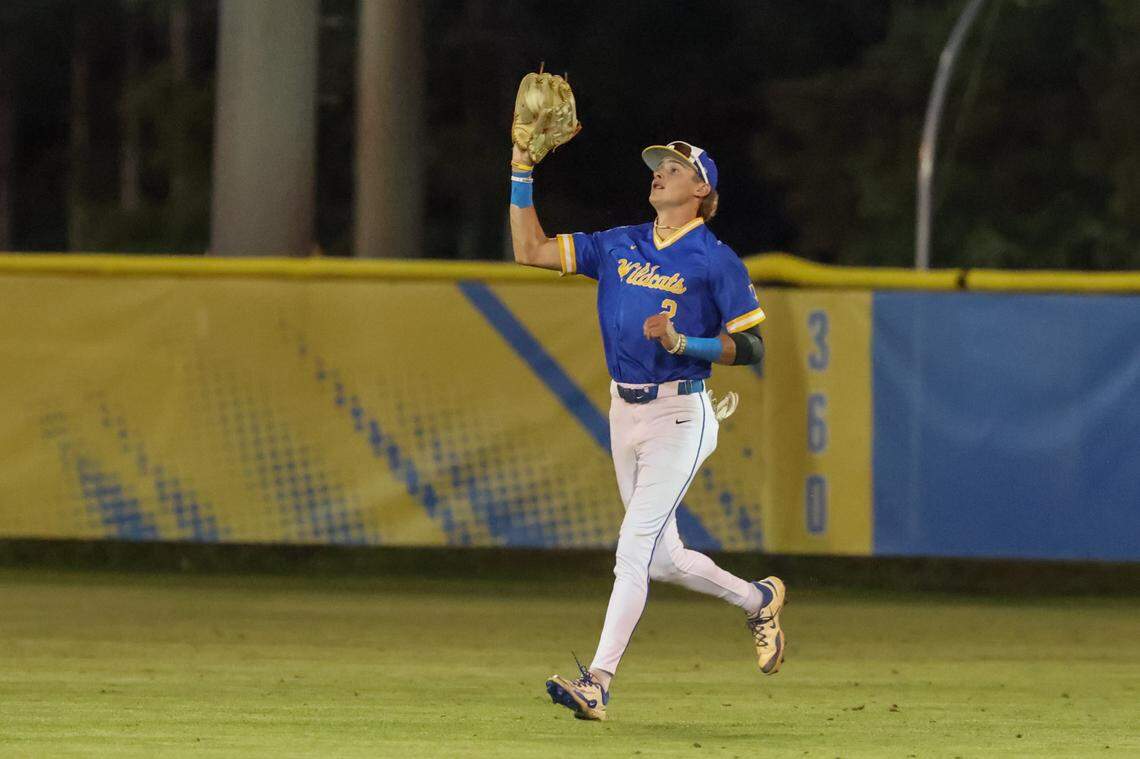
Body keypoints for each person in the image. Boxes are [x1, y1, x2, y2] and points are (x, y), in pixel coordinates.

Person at [508, 139, 786, 722]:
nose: (661, 174)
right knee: (662, 557)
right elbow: (529, 249)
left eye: (676, 168)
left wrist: (688, 343)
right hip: (624, 410)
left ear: (701, 190)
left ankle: (597, 682)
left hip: (681, 414)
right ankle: (758, 598)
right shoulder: (617, 244)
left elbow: (754, 346)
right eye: (659, 167)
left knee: (633, 550)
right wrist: (522, 170)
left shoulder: (716, 260)